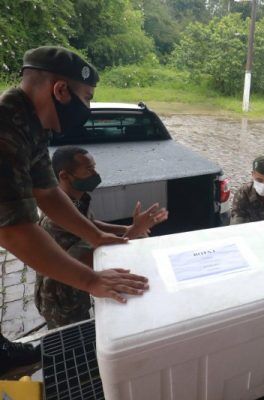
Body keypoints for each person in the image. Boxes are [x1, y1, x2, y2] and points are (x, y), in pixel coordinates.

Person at [0, 46, 149, 373]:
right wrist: (91, 280)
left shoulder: (30, 123)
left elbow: (49, 193)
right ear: (61, 90)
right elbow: (14, 230)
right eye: (87, 97)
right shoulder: (5, 125)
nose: (89, 107)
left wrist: (95, 235)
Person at [36, 146, 168, 329]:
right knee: (71, 339)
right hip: (61, 296)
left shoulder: (75, 199)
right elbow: (89, 260)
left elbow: (90, 224)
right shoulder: (56, 219)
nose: (95, 174)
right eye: (89, 170)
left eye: (94, 167)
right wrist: (133, 233)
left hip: (80, 284)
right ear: (65, 176)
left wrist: (126, 228)